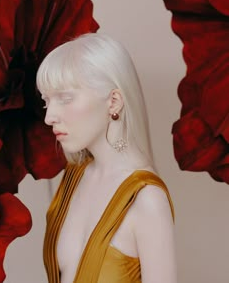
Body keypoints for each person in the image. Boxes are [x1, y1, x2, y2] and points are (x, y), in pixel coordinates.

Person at [36, 33, 177, 283]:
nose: (49, 117)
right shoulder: (74, 176)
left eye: (65, 98)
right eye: (47, 101)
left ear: (113, 101)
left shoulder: (147, 200)